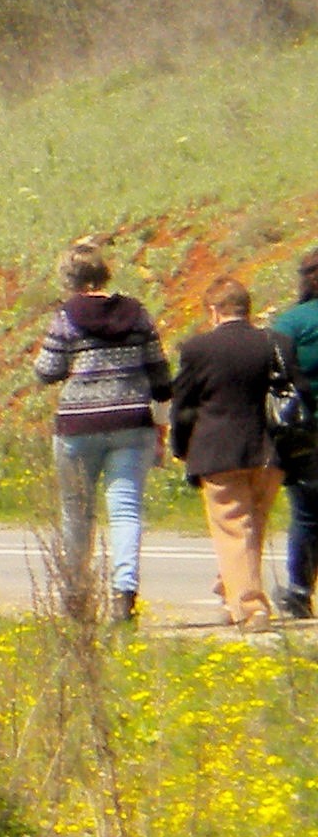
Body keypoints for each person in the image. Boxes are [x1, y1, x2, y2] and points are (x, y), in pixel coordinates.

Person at [34, 238, 168, 620]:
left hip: (79, 424)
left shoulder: (66, 316)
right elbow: (160, 374)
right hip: (131, 423)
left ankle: (76, 594)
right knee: (126, 510)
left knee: (77, 512)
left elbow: (46, 371)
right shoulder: (138, 314)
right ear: (104, 273)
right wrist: (160, 423)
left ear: (70, 278)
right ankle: (124, 593)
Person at [168, 278, 294, 630]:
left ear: (213, 311)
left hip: (219, 451)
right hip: (269, 452)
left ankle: (251, 607)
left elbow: (183, 406)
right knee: (251, 528)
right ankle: (230, 589)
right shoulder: (276, 343)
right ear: (246, 309)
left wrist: (180, 446)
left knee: (235, 530)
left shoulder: (198, 349)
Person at [273, 250, 318, 619]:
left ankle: (300, 592)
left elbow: (275, 373)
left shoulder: (292, 323)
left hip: (307, 431)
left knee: (306, 515)